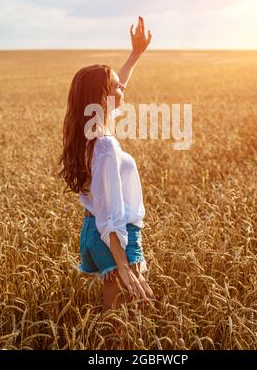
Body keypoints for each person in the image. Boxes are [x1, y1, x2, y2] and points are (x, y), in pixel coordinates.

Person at [58, 16, 155, 313]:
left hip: (92, 232)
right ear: (102, 98)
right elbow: (110, 214)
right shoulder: (105, 145)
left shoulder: (90, 136)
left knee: (125, 318)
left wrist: (135, 54)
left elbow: (118, 84)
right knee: (127, 323)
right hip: (113, 236)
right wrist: (123, 265)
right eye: (115, 87)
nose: (122, 88)